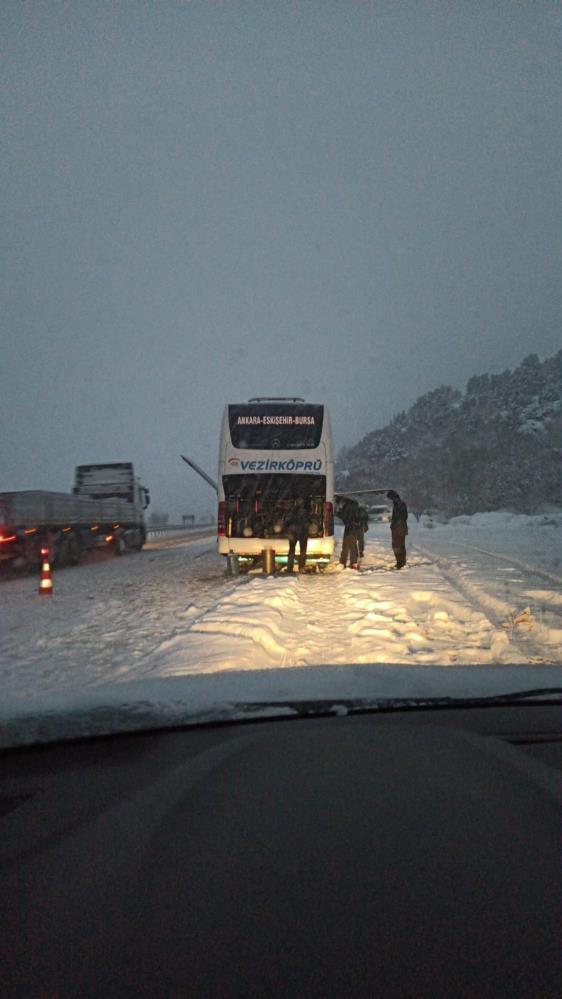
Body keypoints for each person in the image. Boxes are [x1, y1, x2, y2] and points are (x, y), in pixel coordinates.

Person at [335, 496, 362, 569]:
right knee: (346, 545)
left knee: (350, 546)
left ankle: (352, 563)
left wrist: (337, 512)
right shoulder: (351, 505)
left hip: (351, 528)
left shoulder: (348, 507)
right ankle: (344, 562)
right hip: (351, 527)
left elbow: (344, 516)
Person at [285, 496, 309, 572]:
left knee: (291, 550)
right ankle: (301, 567)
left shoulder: (291, 511)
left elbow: (287, 521)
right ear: (302, 504)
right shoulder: (304, 512)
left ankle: (289, 567)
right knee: (303, 551)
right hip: (302, 534)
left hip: (292, 533)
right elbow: (306, 523)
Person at [387, 490, 408, 568]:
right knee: (400, 545)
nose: (391, 500)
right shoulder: (399, 503)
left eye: (391, 498)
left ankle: (400, 562)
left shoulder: (399, 504)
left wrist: (395, 523)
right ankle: (401, 561)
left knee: (397, 545)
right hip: (399, 527)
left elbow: (402, 516)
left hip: (399, 527)